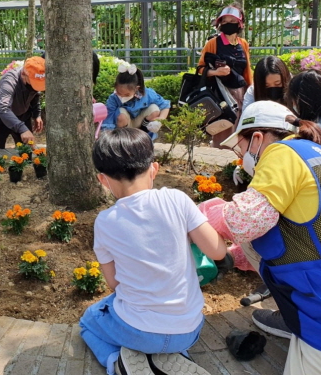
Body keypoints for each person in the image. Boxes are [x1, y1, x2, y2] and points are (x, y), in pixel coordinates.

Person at [203, 101, 321, 374]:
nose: (241, 158)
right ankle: (292, 320)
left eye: (240, 148)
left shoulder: (280, 152)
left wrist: (204, 213)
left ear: (257, 138)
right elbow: (293, 230)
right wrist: (233, 256)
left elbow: (244, 221)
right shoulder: (316, 153)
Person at [80, 128, 226, 375]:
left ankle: (117, 362)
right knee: (161, 330)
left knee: (89, 320)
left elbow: (114, 283)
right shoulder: (177, 199)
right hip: (188, 330)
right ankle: (174, 357)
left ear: (103, 179)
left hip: (137, 330)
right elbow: (218, 251)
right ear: (154, 169)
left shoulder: (105, 222)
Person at [198, 4, 253, 149]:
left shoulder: (243, 44)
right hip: (222, 93)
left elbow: (247, 69)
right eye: (225, 21)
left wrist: (252, 88)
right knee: (225, 126)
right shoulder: (213, 43)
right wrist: (216, 72)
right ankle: (220, 156)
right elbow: (200, 68)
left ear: (240, 23)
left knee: (242, 127)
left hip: (242, 92)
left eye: (232, 21)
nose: (228, 25)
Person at [0, 56, 45, 149]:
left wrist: (37, 114)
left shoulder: (36, 76)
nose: (35, 86)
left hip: (22, 114)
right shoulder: (9, 82)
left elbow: (35, 93)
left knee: (27, 151)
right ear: (23, 74)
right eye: (33, 83)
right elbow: (4, 109)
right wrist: (22, 129)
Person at [101, 63, 170, 141]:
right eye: (119, 93)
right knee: (121, 113)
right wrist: (107, 135)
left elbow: (165, 105)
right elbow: (108, 118)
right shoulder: (113, 98)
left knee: (154, 109)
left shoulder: (148, 94)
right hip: (124, 124)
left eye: (127, 94)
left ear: (136, 88)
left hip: (140, 123)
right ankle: (123, 139)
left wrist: (160, 120)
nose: (122, 96)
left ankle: (143, 136)